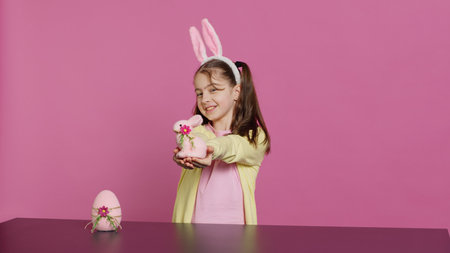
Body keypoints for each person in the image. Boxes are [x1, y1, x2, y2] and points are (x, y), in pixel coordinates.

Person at [172, 18, 270, 225]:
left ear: (236, 92)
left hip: (237, 236)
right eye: (199, 93)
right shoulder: (196, 131)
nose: (205, 99)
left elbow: (233, 145)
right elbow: (194, 139)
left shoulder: (255, 137)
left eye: (213, 89)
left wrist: (210, 150)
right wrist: (188, 150)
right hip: (192, 234)